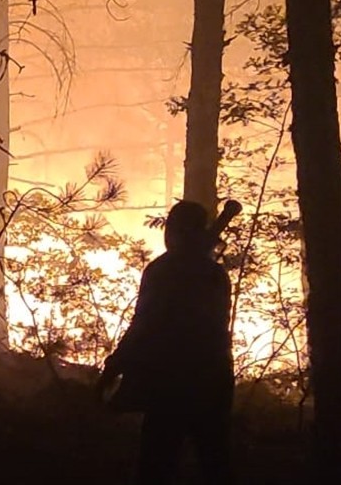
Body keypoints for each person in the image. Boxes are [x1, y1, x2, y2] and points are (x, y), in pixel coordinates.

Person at [99, 200, 235, 485]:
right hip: (213, 379)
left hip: (171, 382)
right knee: (216, 463)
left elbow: (144, 326)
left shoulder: (163, 271)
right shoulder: (214, 274)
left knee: (156, 465)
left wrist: (113, 369)